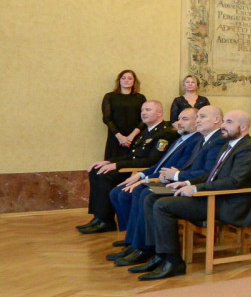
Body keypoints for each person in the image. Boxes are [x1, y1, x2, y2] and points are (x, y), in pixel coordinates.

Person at [139, 110, 251, 280]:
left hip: (228, 202)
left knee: (163, 205)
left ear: (243, 127)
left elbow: (234, 182)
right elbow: (211, 174)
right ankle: (158, 254)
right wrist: (187, 182)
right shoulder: (229, 144)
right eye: (224, 121)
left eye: (228, 122)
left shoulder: (248, 148)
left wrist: (197, 189)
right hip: (214, 196)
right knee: (151, 198)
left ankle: (173, 262)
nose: (223, 126)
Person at [106, 107, 204, 267]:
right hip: (163, 178)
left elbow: (177, 170)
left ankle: (143, 246)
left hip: (172, 183)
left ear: (196, 121)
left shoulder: (196, 141)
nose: (179, 123)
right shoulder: (180, 139)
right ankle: (133, 241)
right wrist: (141, 175)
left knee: (140, 193)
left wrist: (145, 181)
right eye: (179, 119)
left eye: (185, 119)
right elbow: (159, 165)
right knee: (120, 191)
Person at [78, 99, 176, 234]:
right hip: (133, 167)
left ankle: (106, 221)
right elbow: (132, 155)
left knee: (105, 176)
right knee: (97, 171)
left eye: (148, 110)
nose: (143, 113)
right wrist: (109, 162)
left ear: (160, 113)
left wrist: (117, 165)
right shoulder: (147, 131)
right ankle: (99, 217)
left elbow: (151, 161)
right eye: (142, 110)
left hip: (143, 171)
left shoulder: (165, 133)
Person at [101, 69, 147, 161]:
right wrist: (120, 137)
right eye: (123, 78)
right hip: (115, 137)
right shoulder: (109, 97)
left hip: (135, 137)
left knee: (133, 164)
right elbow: (107, 119)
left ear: (134, 81)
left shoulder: (140, 98)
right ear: (119, 80)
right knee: (112, 166)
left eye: (130, 78)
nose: (126, 80)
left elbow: (144, 119)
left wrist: (131, 137)